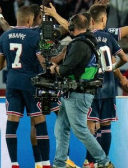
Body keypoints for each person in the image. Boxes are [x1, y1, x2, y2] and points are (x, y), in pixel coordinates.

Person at [48, 14, 115, 168]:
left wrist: (55, 68)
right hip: (75, 91)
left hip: (78, 92)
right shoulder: (89, 40)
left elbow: (65, 69)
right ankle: (59, 163)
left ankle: (104, 162)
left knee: (80, 130)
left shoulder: (79, 44)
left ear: (72, 27)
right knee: (62, 126)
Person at [0, 6, 51, 168]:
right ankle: (46, 164)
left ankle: (14, 163)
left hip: (12, 83)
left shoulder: (4, 37)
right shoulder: (35, 36)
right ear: (30, 20)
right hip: (31, 83)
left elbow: (0, 66)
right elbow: (43, 63)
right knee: (39, 121)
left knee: (12, 122)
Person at [85, 5, 128, 168]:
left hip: (90, 87)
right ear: (103, 19)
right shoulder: (109, 37)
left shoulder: (85, 37)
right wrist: (112, 66)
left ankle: (89, 162)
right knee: (106, 126)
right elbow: (124, 59)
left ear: (90, 20)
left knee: (91, 125)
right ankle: (103, 163)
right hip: (109, 86)